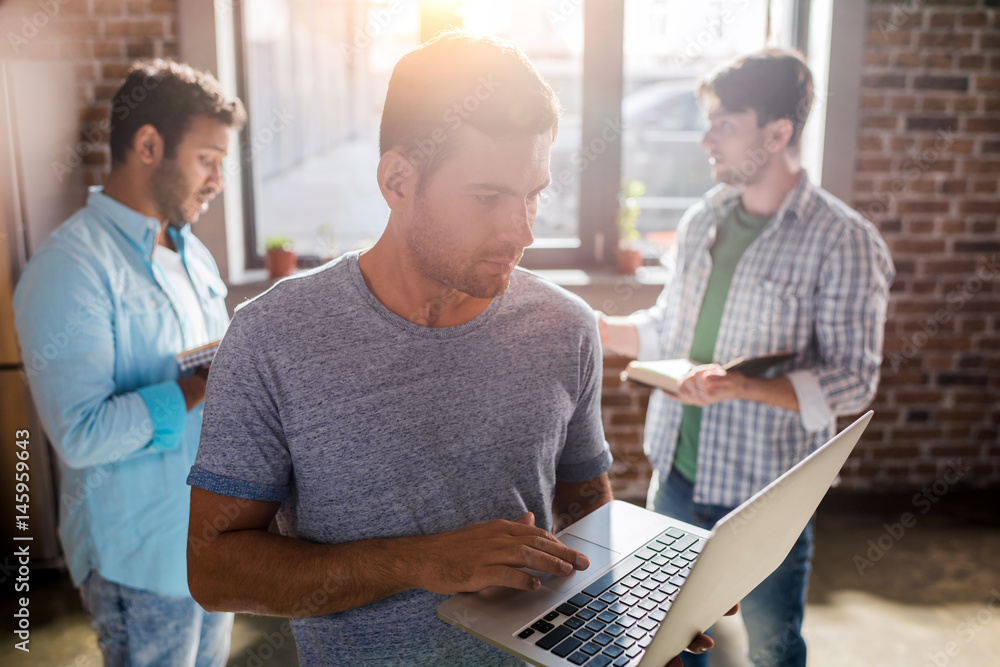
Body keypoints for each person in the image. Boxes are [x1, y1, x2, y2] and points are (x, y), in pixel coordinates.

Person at [185, 31, 727, 667]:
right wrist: (422, 561)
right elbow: (215, 570)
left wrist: (643, 608)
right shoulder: (272, 337)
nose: (522, 230)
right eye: (488, 197)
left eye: (534, 195)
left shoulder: (565, 326)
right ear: (397, 180)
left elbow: (585, 506)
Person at [598, 49, 894, 667]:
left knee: (773, 650)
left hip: (765, 499)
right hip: (675, 478)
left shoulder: (844, 240)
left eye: (724, 124)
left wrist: (742, 388)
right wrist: (600, 328)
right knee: (673, 649)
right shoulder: (703, 217)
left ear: (778, 133)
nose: (706, 138)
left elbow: (853, 380)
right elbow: (669, 331)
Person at [14, 60, 245, 666]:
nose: (218, 179)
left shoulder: (192, 255)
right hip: (140, 562)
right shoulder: (72, 267)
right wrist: (198, 386)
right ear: (149, 144)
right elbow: (83, 435)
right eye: (207, 159)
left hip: (209, 547)